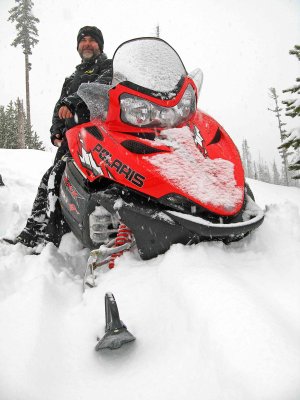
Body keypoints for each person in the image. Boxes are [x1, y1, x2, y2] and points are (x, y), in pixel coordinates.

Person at [4, 26, 112, 250]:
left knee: (57, 179)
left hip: (96, 139)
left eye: (92, 41)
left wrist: (73, 101)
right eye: (83, 41)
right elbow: (59, 106)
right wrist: (56, 130)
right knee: (51, 181)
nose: (87, 44)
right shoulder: (71, 77)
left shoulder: (108, 67)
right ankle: (35, 233)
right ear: (78, 47)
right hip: (70, 141)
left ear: (100, 45)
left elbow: (99, 86)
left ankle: (53, 235)